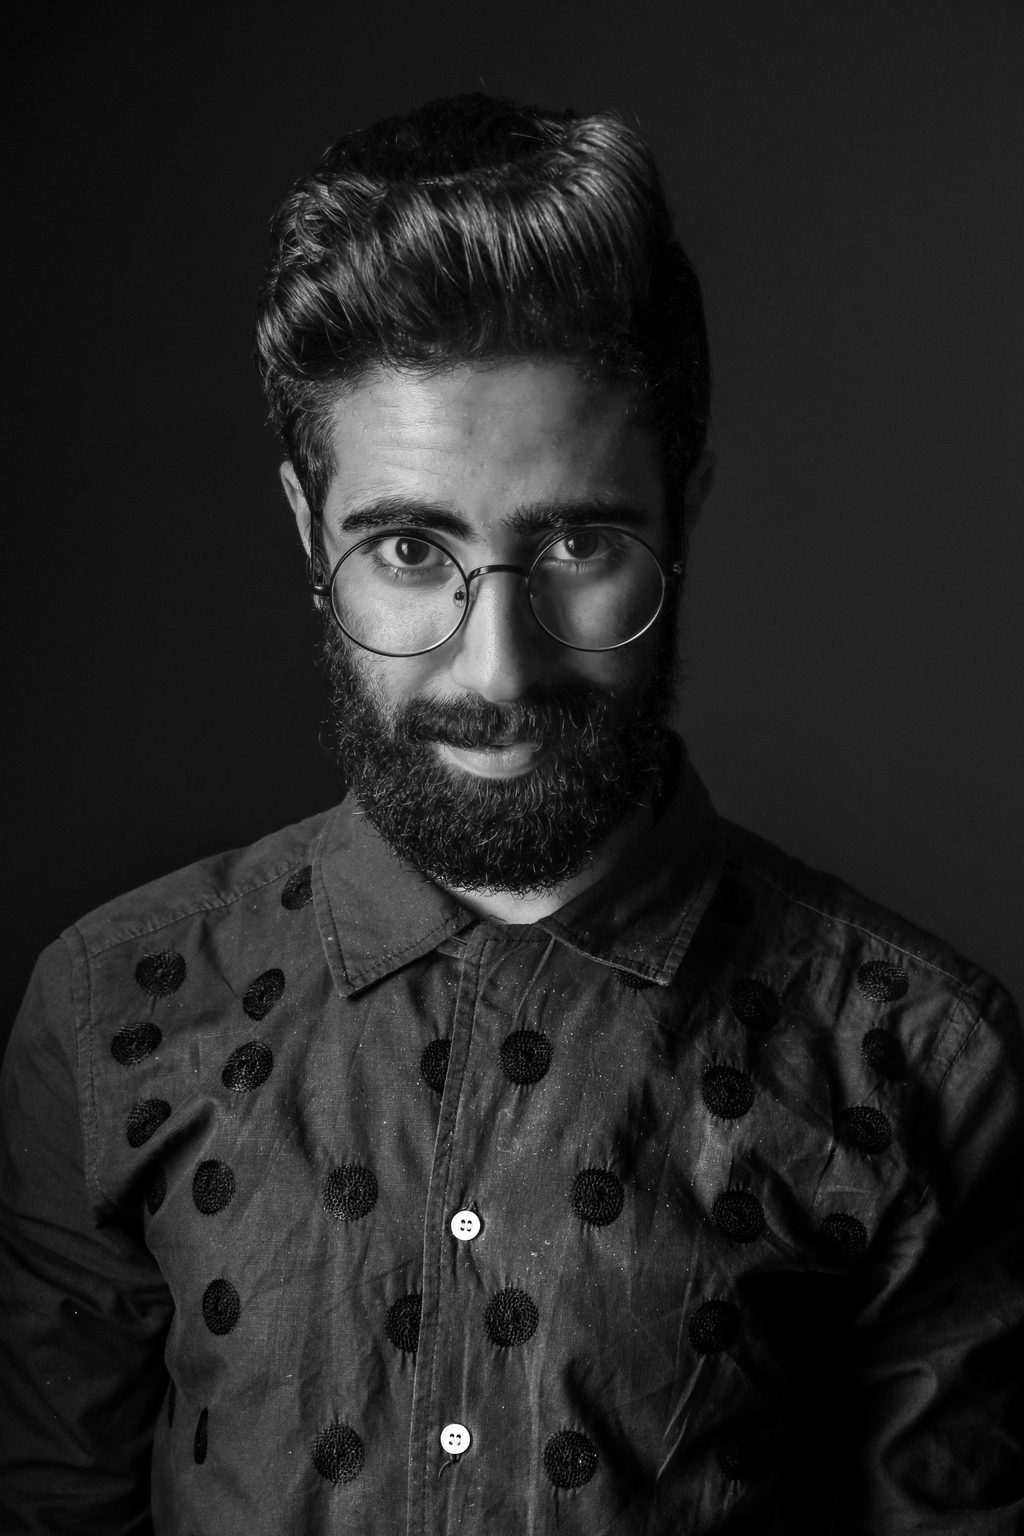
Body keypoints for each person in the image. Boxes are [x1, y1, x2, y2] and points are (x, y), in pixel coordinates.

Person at [1, 92, 1021, 1536]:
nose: (498, 668)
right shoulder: (113, 1015)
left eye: (580, 543)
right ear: (307, 533)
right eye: (410, 550)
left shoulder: (924, 1064)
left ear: (684, 515)